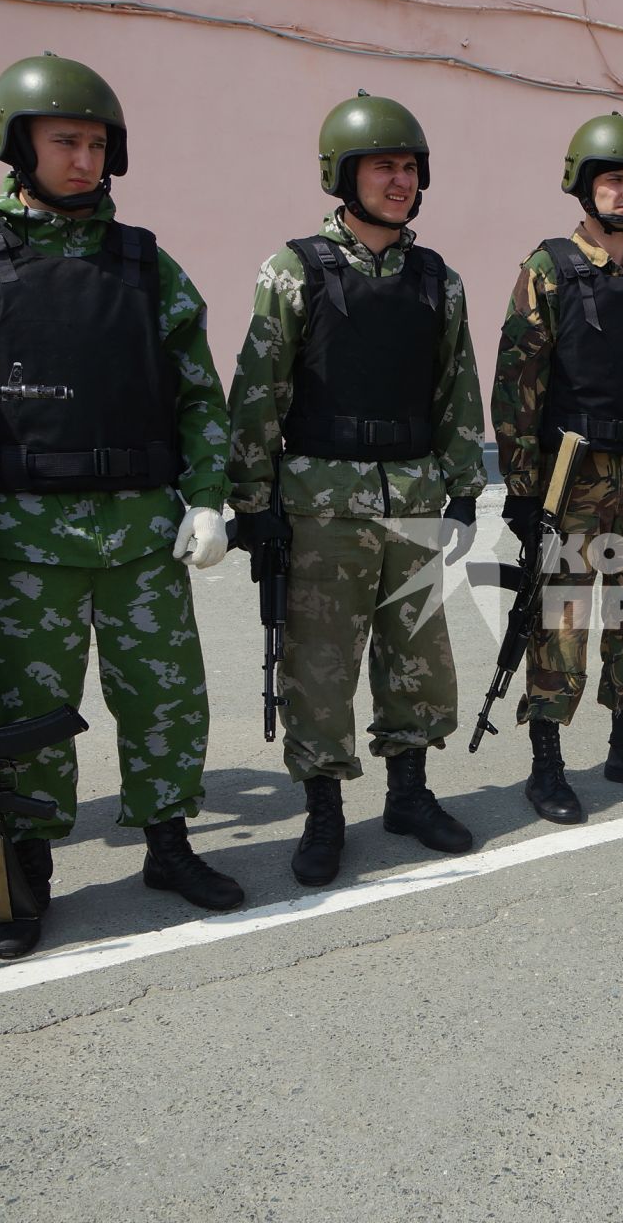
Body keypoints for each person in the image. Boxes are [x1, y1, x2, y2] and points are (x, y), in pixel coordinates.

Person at [0, 53, 241, 961]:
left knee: (166, 699)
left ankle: (168, 845)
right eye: (65, 142)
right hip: (27, 537)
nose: (84, 160)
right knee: (29, 713)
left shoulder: (143, 261)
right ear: (18, 146)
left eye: (97, 144)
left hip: (141, 529)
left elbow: (197, 391)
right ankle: (30, 866)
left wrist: (207, 498)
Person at [227, 91, 486, 887]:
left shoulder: (438, 281)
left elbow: (456, 388)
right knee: (322, 666)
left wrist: (466, 485)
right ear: (344, 174)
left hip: (411, 496)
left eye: (410, 168)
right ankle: (324, 815)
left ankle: (409, 794)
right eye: (384, 167)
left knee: (419, 660)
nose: (400, 181)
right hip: (320, 501)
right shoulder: (294, 269)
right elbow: (259, 385)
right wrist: (253, 501)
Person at [492, 113, 623, 824]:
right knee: (562, 618)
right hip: (569, 475)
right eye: (611, 179)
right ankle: (546, 763)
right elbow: (517, 382)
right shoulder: (547, 269)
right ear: (584, 185)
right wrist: (523, 490)